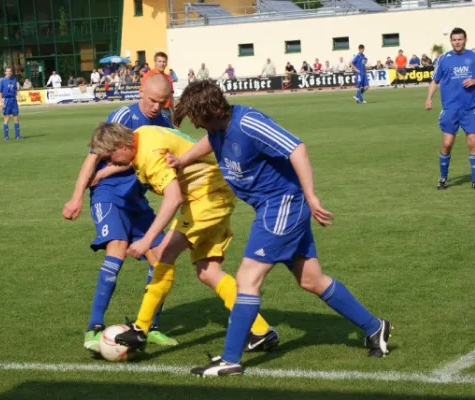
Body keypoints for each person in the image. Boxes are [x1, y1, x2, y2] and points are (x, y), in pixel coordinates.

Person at [168, 80, 392, 377]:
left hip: (282, 204)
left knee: (247, 277)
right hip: (270, 207)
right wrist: (183, 159)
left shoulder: (249, 122)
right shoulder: (217, 128)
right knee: (312, 280)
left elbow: (296, 148)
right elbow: (212, 140)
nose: (198, 126)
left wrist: (311, 197)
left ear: (213, 109)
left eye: (199, 119)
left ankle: (230, 359)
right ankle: (375, 328)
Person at [88, 123, 279, 354]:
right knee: (208, 272)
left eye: (111, 158)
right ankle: (262, 332)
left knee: (163, 254)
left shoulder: (149, 156)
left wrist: (147, 240)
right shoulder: (143, 133)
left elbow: (173, 198)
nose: (111, 163)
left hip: (206, 199)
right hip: (215, 193)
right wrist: (110, 171)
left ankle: (141, 328)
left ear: (122, 145)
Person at [62, 74, 178, 352]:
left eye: (162, 102)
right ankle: (94, 327)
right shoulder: (122, 116)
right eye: (152, 100)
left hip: (137, 200)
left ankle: (148, 327)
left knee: (161, 258)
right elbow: (92, 158)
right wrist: (76, 197)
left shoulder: (163, 122)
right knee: (118, 246)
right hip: (108, 195)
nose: (156, 107)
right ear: (141, 92)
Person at [425, 27, 475, 190]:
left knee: (473, 142)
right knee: (446, 144)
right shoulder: (444, 59)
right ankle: (443, 178)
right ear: (451, 41)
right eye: (454, 40)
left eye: (460, 39)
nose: (457, 42)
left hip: (470, 108)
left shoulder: (473, 56)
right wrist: (429, 99)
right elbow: (435, 81)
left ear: (465, 40)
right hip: (450, 109)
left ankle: (474, 179)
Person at [141, 52, 175, 120]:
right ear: (155, 62)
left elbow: (170, 96)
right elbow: (143, 94)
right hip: (151, 110)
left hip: (166, 111)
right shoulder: (148, 76)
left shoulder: (168, 78)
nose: (162, 64)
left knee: (168, 130)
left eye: (164, 62)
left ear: (166, 63)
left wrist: (175, 111)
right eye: (159, 61)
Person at [0, 67, 23, 141]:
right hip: (6, 100)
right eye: (7, 71)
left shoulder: (14, 79)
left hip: (13, 100)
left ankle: (17, 136)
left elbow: (15, 90)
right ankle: (6, 137)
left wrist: (19, 95)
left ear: (11, 72)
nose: (8, 72)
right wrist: (1, 102)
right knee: (7, 118)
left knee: (16, 118)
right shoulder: (2, 81)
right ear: (5, 72)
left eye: (10, 71)